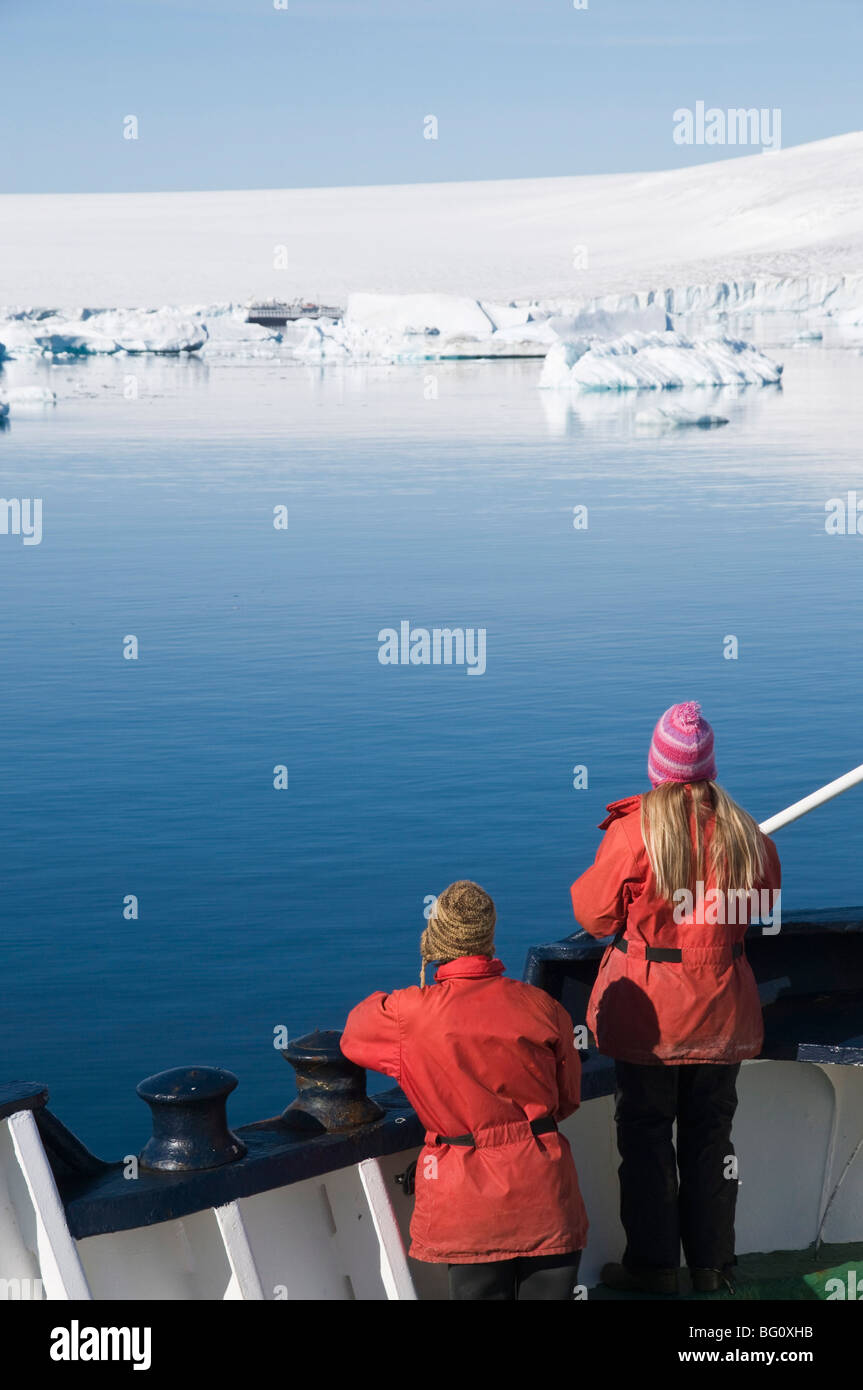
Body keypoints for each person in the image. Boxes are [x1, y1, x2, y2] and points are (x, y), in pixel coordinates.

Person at [569, 702, 781, 1295]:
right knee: (711, 1140)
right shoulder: (742, 830)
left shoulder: (635, 831)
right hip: (722, 1015)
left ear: (656, 767)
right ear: (708, 767)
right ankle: (713, 1270)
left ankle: (654, 1270)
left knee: (645, 1139)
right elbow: (763, 899)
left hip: (651, 1022)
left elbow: (593, 914)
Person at [341, 879, 588, 1300]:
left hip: (467, 1199)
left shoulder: (410, 1013)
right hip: (544, 1189)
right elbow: (567, 1100)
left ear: (435, 938)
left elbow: (353, 1035)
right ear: (489, 938)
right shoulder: (541, 1005)